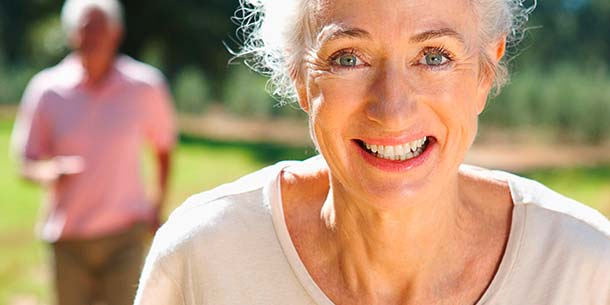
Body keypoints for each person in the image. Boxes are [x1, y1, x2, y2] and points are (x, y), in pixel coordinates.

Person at [134, 0, 610, 304]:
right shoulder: (203, 258)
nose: (392, 107)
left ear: (485, 73)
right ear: (300, 76)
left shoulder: (585, 267)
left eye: (434, 56)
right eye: (348, 58)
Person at [10, 0, 176, 304]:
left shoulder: (144, 86)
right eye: (85, 29)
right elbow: (26, 161)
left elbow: (164, 147)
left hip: (124, 235)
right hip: (68, 238)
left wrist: (156, 205)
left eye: (100, 28)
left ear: (116, 33)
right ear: (71, 34)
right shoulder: (47, 90)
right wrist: (48, 171)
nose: (92, 37)